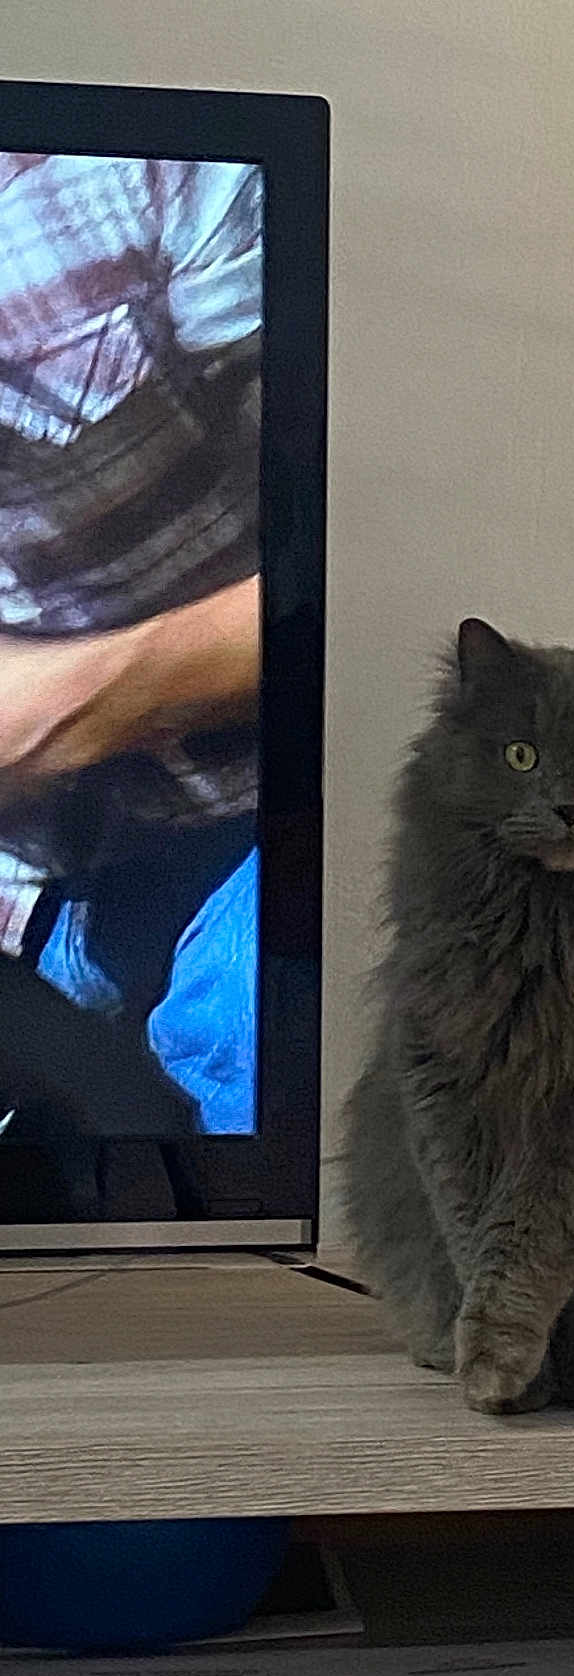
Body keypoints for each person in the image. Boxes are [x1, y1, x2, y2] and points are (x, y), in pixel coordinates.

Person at [0, 154, 264, 1134]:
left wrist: (66, 707)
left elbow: (376, 575)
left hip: (269, 817)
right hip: (55, 882)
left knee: (235, 1043)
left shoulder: (138, 182)